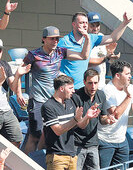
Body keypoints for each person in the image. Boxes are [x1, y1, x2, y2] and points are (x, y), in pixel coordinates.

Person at [16, 25, 91, 155]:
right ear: (43, 39)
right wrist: (18, 93)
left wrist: (87, 38)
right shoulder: (33, 55)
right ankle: (24, 164)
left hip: (53, 101)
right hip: (38, 101)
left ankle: (37, 162)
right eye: (52, 39)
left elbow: (83, 56)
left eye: (57, 38)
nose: (55, 41)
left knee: (47, 136)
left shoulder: (60, 52)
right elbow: (19, 72)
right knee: (35, 136)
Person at [98, 61, 133, 168]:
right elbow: (116, 114)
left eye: (130, 73)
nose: (130, 76)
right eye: (127, 73)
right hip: (106, 140)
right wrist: (128, 96)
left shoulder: (131, 88)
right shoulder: (106, 90)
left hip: (122, 140)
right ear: (118, 75)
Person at [58, 11, 131, 89]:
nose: (85, 25)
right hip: (67, 88)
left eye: (86, 23)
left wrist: (124, 23)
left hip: (83, 88)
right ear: (74, 24)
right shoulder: (64, 41)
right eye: (82, 22)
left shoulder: (91, 38)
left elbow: (112, 38)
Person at [41, 75, 100, 170]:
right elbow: (58, 130)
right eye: (70, 88)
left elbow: (80, 125)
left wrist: (87, 117)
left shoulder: (70, 103)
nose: (73, 91)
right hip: (57, 156)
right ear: (61, 88)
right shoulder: (48, 106)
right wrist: (76, 119)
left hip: (72, 155)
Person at [72, 69, 115, 170]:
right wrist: (88, 116)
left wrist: (108, 120)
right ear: (84, 82)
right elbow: (77, 123)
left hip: (93, 143)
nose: (93, 86)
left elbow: (102, 118)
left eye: (95, 83)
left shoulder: (101, 95)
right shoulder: (76, 97)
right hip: (76, 143)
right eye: (90, 83)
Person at [0, 39, 31, 148]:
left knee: (17, 138)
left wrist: (18, 74)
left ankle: (4, 161)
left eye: (0, 50)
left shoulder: (4, 65)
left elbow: (13, 86)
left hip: (6, 110)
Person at [87, 12, 120, 89]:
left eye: (97, 25)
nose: (95, 28)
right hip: (89, 85)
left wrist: (110, 54)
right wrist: (106, 58)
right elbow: (86, 62)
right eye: (92, 25)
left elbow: (107, 61)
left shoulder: (101, 37)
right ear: (87, 24)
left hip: (101, 84)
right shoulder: (84, 39)